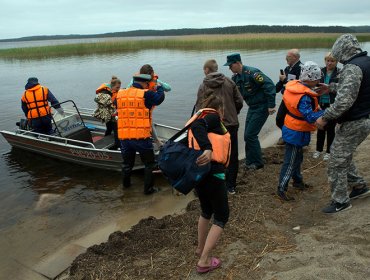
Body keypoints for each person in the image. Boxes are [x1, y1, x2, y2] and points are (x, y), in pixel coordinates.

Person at [316, 34, 370, 213]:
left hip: (355, 121)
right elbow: (357, 87)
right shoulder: (366, 62)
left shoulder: (352, 68)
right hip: (364, 119)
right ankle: (359, 186)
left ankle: (341, 202)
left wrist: (325, 117)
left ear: (342, 50)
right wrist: (330, 87)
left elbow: (344, 101)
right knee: (343, 155)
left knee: (335, 162)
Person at [187, 92, 230, 274]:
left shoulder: (200, 115)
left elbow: (195, 127)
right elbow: (198, 126)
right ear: (219, 109)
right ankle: (204, 260)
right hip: (213, 174)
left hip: (199, 174)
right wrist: (208, 148)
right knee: (221, 216)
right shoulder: (211, 117)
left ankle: (200, 248)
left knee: (206, 211)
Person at [277, 61, 324, 201]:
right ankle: (281, 188)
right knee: (290, 160)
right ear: (310, 79)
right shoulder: (304, 96)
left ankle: (297, 181)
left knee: (298, 157)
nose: (319, 81)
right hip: (296, 130)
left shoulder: (294, 86)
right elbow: (309, 117)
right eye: (317, 79)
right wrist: (327, 112)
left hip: (293, 127)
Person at [196, 59, 243, 194]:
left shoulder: (203, 85)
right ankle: (231, 186)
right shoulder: (230, 81)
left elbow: (200, 108)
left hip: (212, 126)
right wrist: (234, 112)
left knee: (214, 154)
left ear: (206, 70)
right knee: (232, 155)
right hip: (231, 124)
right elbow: (239, 101)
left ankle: (215, 184)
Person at [224, 53, 276, 170]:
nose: (229, 68)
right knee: (247, 135)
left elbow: (269, 85)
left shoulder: (252, 73)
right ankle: (249, 160)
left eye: (231, 65)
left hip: (262, 107)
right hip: (252, 107)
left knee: (250, 135)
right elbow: (236, 96)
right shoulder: (236, 78)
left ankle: (257, 163)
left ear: (237, 63)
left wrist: (271, 105)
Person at [116, 74, 165, 195]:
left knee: (127, 164)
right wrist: (160, 88)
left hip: (125, 137)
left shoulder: (120, 94)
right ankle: (148, 190)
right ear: (146, 84)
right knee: (149, 164)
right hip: (141, 137)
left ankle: (126, 187)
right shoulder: (146, 94)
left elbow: (118, 107)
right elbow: (159, 99)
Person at [312, 52, 339, 161]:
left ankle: (329, 151)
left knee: (331, 129)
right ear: (325, 61)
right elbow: (314, 85)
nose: (329, 63)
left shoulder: (340, 73)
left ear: (336, 62)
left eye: (332, 61)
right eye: (328, 60)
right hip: (320, 104)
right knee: (320, 127)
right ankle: (318, 150)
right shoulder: (320, 72)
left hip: (332, 104)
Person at [275, 49, 303, 145]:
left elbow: (300, 85)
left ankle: (289, 137)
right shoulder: (287, 68)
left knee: (293, 120)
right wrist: (271, 91)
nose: (286, 59)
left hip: (295, 99)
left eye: (288, 57)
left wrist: (285, 79)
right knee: (279, 119)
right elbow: (281, 83)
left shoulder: (301, 68)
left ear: (295, 57)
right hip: (286, 97)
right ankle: (287, 135)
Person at [94, 76, 121, 149]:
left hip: (109, 113)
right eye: (117, 88)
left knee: (109, 128)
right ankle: (117, 146)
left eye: (119, 87)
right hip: (110, 114)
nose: (118, 89)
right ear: (112, 86)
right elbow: (106, 103)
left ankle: (106, 139)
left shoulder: (112, 91)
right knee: (116, 129)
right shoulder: (106, 94)